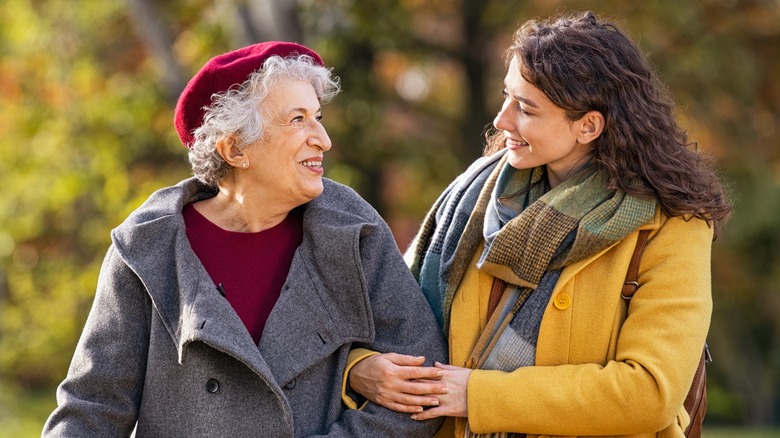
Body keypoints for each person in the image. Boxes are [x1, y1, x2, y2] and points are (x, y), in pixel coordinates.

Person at [347, 11, 732, 437]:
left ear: (588, 125)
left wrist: (479, 396)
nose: (501, 120)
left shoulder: (672, 226)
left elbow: (650, 392)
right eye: (506, 97)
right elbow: (387, 319)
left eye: (526, 109)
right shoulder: (472, 200)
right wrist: (360, 368)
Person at [42, 41, 446, 437]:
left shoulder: (352, 230)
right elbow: (93, 408)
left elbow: (422, 380)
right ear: (236, 149)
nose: (322, 138)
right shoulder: (148, 249)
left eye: (317, 117)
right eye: (297, 120)